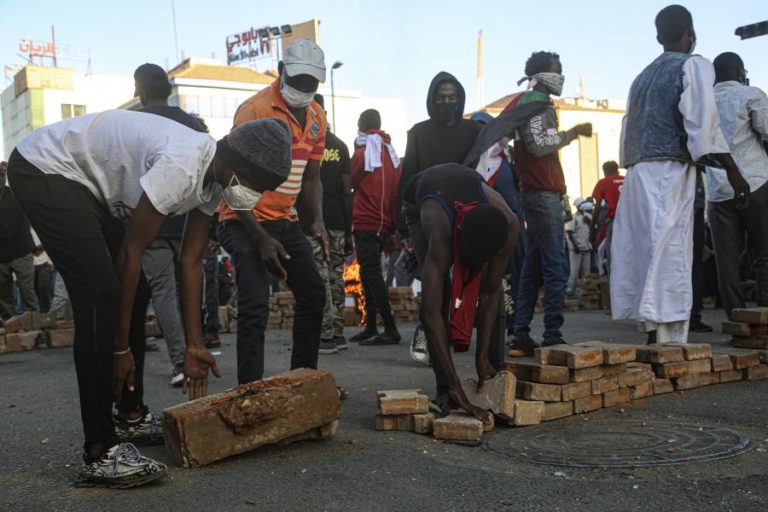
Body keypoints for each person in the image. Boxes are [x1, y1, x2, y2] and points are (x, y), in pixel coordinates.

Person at [7, 109, 291, 488]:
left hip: (82, 182)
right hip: (44, 167)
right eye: (258, 185)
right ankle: (100, 450)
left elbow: (190, 261)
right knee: (100, 294)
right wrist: (119, 348)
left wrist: (194, 345)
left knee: (135, 288)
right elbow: (131, 251)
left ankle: (130, 414)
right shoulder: (183, 166)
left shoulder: (213, 180)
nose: (256, 196)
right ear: (240, 166)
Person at [611, 5, 749, 345]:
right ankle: (669, 342)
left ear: (659, 36)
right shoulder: (692, 65)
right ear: (690, 33)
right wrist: (734, 172)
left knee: (646, 251)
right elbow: (703, 126)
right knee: (670, 251)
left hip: (637, 172)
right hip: (668, 171)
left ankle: (653, 334)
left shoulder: (641, 76)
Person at [217, 39, 329, 385]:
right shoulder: (254, 109)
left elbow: (312, 177)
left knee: (313, 293)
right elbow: (229, 175)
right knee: (255, 304)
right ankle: (249, 392)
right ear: (282, 72)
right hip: (242, 219)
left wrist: (317, 220)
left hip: (285, 221)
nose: (304, 88)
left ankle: (302, 381)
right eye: (298, 81)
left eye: (311, 83)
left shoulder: (317, 116)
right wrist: (260, 237)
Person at [402, 163, 518, 420]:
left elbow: (489, 293)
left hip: (462, 181)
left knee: (495, 287)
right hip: (420, 199)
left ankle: (488, 369)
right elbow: (430, 313)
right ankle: (446, 389)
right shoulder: (440, 228)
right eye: (471, 258)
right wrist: (456, 386)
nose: (474, 266)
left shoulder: (508, 226)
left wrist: (481, 358)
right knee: (440, 293)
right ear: (460, 237)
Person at [507, 51, 593, 356]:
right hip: (542, 193)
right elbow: (539, 145)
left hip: (537, 192)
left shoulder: (528, 103)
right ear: (543, 74)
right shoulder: (536, 104)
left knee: (533, 266)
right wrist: (573, 133)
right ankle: (552, 335)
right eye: (557, 70)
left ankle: (520, 335)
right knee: (556, 265)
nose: (561, 76)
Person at [396, 71, 482, 363]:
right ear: (432, 100)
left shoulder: (473, 132)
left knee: (465, 278)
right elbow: (407, 178)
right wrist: (402, 228)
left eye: (452, 97)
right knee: (435, 277)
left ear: (460, 99)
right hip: (423, 214)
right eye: (441, 98)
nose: (447, 102)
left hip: (464, 213)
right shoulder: (418, 133)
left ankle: (453, 332)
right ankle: (428, 329)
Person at [133, 62, 208, 386]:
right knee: (191, 285)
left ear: (141, 91)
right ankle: (197, 349)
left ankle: (180, 361)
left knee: (163, 291)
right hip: (188, 219)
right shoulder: (190, 122)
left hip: (152, 222)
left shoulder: (136, 122)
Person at [706, 51, 768, 320]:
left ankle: (737, 323)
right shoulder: (751, 95)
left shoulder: (702, 102)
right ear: (740, 72)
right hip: (756, 181)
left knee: (727, 262)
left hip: (718, 190)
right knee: (764, 254)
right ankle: (764, 320)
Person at [298, 93, 352, 354]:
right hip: (337, 222)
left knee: (319, 276)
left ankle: (326, 334)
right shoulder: (340, 146)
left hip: (311, 221)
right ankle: (338, 332)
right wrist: (349, 230)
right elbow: (346, 192)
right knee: (335, 276)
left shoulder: (302, 144)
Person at [349, 108, 402, 345]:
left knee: (371, 274)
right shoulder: (391, 155)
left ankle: (389, 327)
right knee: (368, 273)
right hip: (384, 223)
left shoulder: (363, 154)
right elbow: (396, 191)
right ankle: (371, 326)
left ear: (362, 126)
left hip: (366, 221)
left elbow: (349, 181)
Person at [0, 161, 40, 320]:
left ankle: (33, 322)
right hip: (1, 256)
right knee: (3, 295)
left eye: (1, 175)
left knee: (27, 290)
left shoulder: (18, 192)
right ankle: (10, 324)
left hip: (22, 251)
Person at [589, 161, 624, 274]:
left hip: (614, 221)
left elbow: (598, 206)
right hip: (631, 220)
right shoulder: (628, 180)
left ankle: (612, 279)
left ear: (605, 171)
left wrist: (592, 227)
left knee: (611, 253)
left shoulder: (603, 182)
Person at [565, 197, 593, 297]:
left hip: (587, 247)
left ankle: (585, 293)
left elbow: (592, 228)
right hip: (576, 249)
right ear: (578, 206)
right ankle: (570, 291)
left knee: (587, 272)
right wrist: (575, 246)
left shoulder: (587, 216)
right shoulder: (573, 218)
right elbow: (569, 233)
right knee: (574, 272)